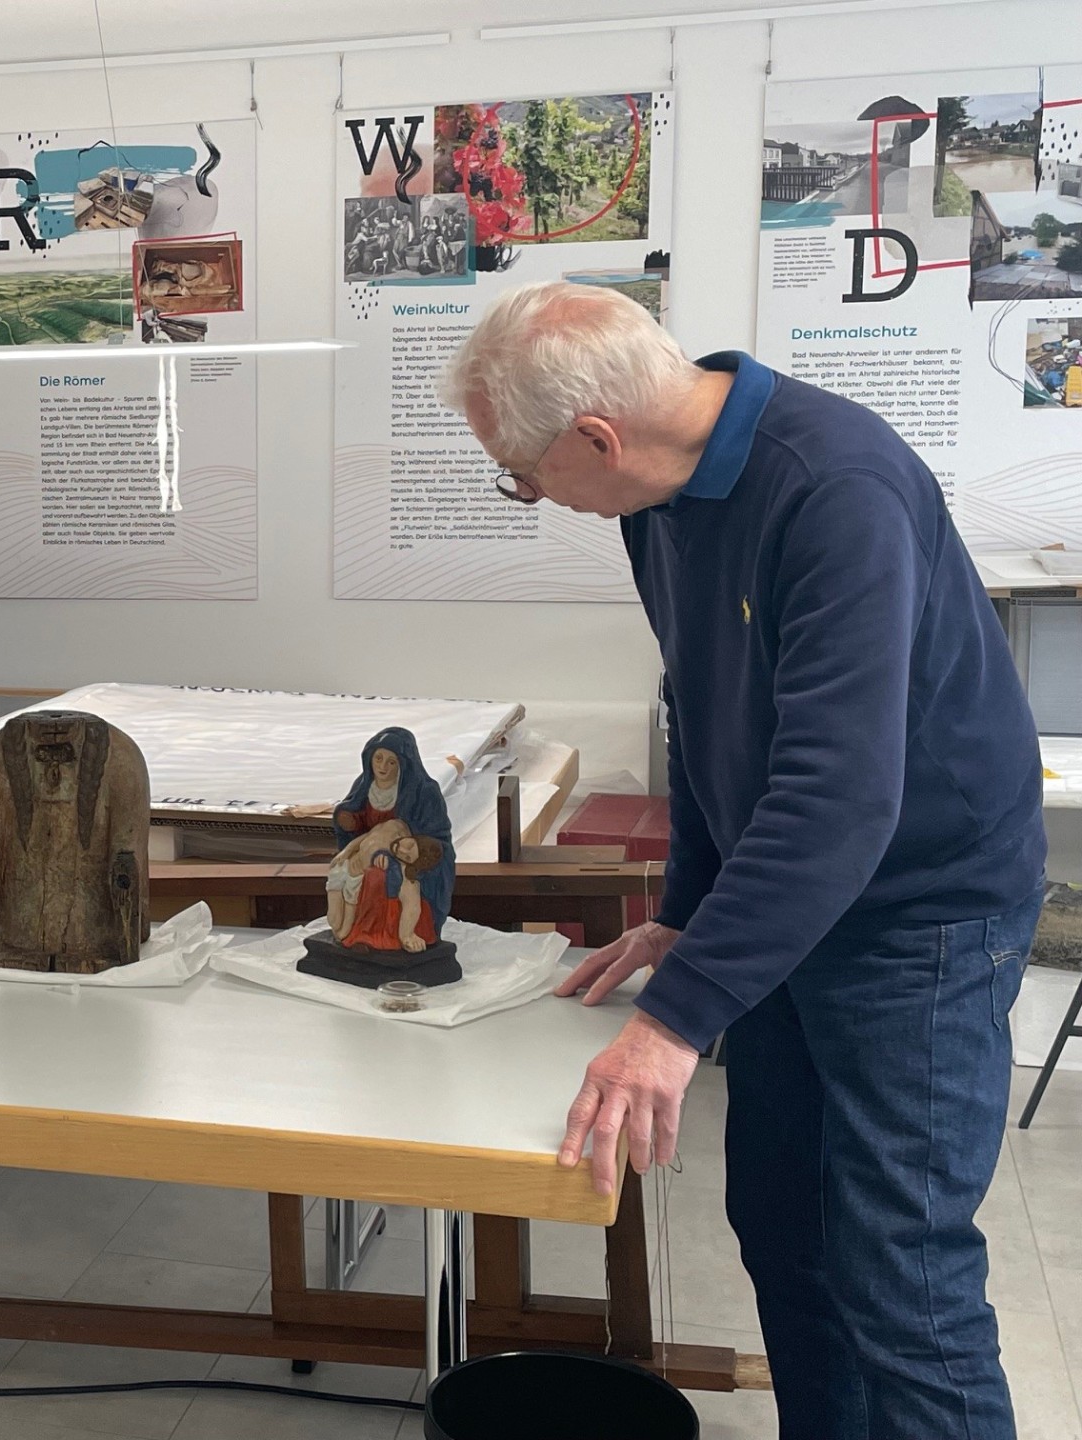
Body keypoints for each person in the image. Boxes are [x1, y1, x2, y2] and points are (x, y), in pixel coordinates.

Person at [440, 280, 1045, 1439]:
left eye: (521, 474)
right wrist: (687, 913)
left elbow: (838, 795)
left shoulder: (835, 489)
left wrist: (673, 1025)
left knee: (901, 1272)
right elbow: (710, 715)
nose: (532, 495)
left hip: (920, 913)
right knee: (784, 1228)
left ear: (595, 438)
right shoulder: (658, 500)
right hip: (793, 898)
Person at [330, 729, 456, 954]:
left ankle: (379, 936)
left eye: (391, 762)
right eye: (378, 759)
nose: (383, 767)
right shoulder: (364, 785)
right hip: (368, 851)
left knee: (381, 877)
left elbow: (434, 839)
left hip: (408, 855)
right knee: (344, 873)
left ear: (403, 764)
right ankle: (346, 930)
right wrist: (349, 820)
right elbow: (359, 823)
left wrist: (398, 852)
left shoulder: (424, 791)